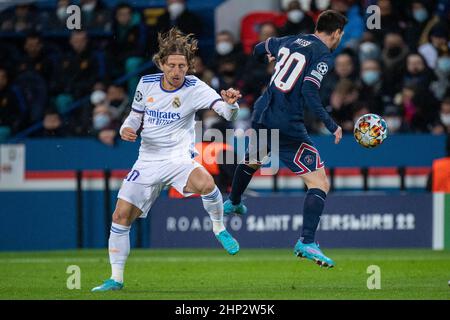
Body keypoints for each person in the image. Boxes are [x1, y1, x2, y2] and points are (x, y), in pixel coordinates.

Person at [92, 28, 242, 292]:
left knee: (206, 182)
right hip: (147, 160)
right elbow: (134, 117)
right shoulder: (146, 83)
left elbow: (226, 113)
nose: (176, 71)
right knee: (121, 215)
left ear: (188, 67)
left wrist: (230, 104)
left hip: (178, 158)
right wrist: (125, 128)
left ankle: (219, 228)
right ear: (161, 64)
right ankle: (116, 278)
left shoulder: (195, 87)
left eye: (182, 66)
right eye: (171, 65)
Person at [223, 10, 347, 269]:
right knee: (319, 182)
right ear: (335, 33)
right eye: (340, 35)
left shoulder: (291, 40)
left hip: (261, 111)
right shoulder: (322, 54)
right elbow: (309, 90)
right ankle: (307, 241)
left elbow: (259, 48)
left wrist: (268, 55)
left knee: (254, 159)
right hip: (287, 122)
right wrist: (330, 123)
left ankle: (233, 202)